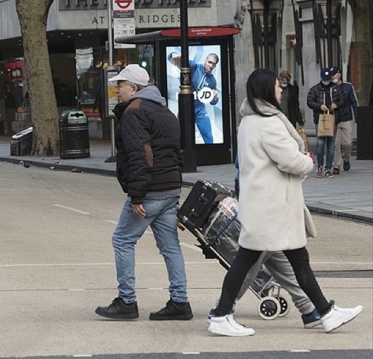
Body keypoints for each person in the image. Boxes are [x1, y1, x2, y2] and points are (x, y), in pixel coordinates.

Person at [208, 69, 363, 337]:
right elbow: (290, 160)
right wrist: (308, 161)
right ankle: (221, 314)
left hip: (266, 205)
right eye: (278, 87)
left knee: (295, 260)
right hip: (271, 207)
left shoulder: (250, 121)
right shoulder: (266, 123)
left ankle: (324, 312)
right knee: (249, 261)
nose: (281, 90)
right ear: (268, 89)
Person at [95, 64, 192, 321]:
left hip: (150, 191)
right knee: (170, 247)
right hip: (169, 188)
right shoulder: (163, 110)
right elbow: (174, 153)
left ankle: (127, 301)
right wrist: (176, 189)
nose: (117, 90)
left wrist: (137, 195)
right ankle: (180, 301)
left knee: (122, 240)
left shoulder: (134, 112)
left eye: (121, 85)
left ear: (134, 88)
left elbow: (140, 155)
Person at [168, 50, 220, 144]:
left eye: (214, 64)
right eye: (210, 62)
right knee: (179, 135)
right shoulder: (195, 67)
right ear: (205, 60)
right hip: (186, 107)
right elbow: (177, 59)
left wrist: (215, 98)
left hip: (200, 109)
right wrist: (173, 55)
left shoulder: (212, 81)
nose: (211, 66)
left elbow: (212, 102)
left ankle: (210, 156)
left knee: (208, 135)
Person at [306, 67, 346, 178]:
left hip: (333, 118)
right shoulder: (315, 89)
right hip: (320, 119)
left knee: (331, 145)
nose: (327, 80)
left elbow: (343, 99)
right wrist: (319, 106)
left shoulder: (336, 88)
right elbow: (309, 101)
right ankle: (319, 165)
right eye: (325, 78)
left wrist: (336, 105)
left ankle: (328, 168)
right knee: (320, 144)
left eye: (328, 78)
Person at [330, 67, 359, 174]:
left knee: (348, 143)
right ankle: (336, 165)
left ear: (339, 74)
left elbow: (354, 102)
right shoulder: (329, 87)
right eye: (332, 75)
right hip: (334, 119)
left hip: (346, 118)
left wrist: (357, 116)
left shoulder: (348, 86)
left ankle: (346, 159)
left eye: (335, 74)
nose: (333, 76)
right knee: (336, 144)